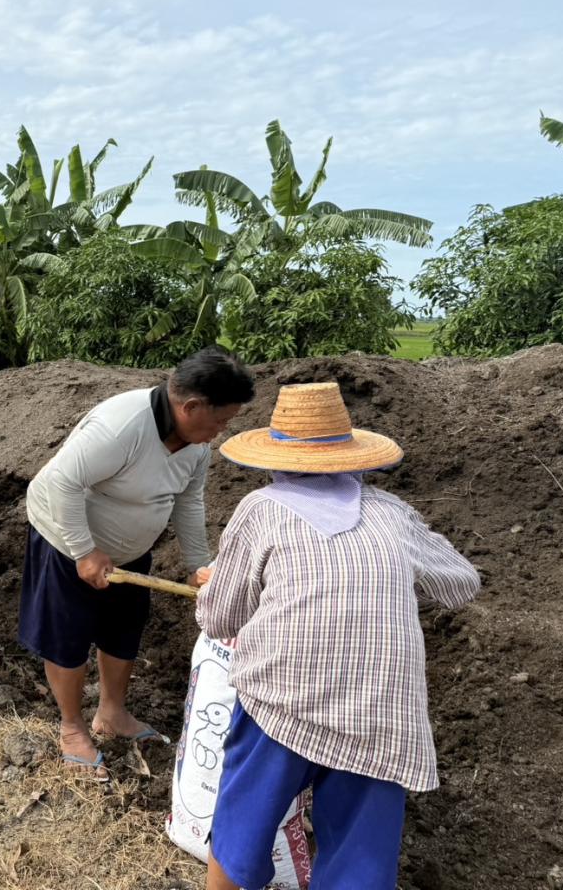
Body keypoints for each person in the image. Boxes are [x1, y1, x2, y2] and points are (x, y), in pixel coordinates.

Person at [196, 381, 480, 890]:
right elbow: (462, 582)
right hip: (383, 709)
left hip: (283, 696)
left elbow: (219, 619)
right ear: (352, 458)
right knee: (360, 856)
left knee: (242, 825)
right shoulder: (392, 513)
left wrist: (219, 583)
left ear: (274, 459)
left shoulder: (261, 509)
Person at [19, 348, 255, 781]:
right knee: (68, 634)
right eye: (221, 420)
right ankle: (71, 726)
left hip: (128, 555)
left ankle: (111, 713)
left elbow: (188, 499)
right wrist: (84, 550)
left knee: (123, 630)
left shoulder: (196, 446)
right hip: (67, 541)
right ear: (191, 406)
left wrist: (199, 563)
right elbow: (61, 482)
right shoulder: (123, 425)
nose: (223, 430)